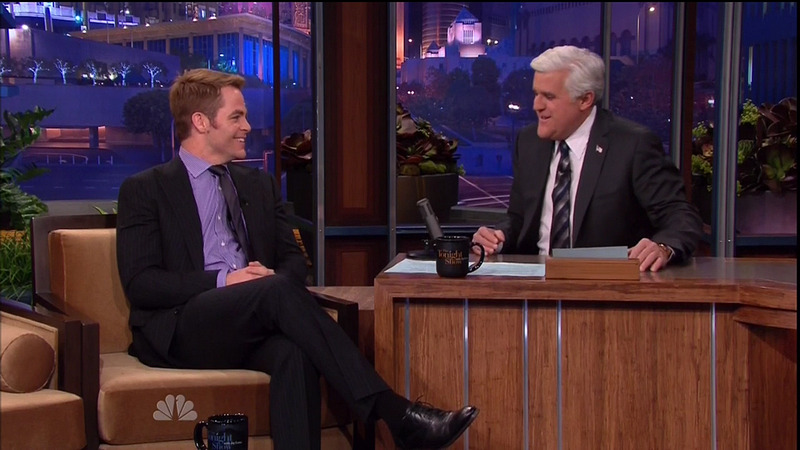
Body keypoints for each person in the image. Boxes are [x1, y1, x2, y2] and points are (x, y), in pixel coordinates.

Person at [116, 68, 478, 450]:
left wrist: (267, 276)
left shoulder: (258, 185)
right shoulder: (146, 189)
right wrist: (227, 281)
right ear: (201, 122)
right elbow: (141, 283)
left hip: (253, 317)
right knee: (274, 291)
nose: (247, 126)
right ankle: (396, 414)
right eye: (237, 116)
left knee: (295, 353)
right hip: (183, 327)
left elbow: (292, 262)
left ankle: (394, 421)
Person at [473, 45, 702, 272]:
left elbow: (680, 216)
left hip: (605, 281)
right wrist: (498, 236)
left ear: (585, 100)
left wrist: (662, 247)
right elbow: (519, 219)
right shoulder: (529, 142)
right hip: (535, 280)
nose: (537, 105)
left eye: (549, 96)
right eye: (536, 94)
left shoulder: (633, 145)